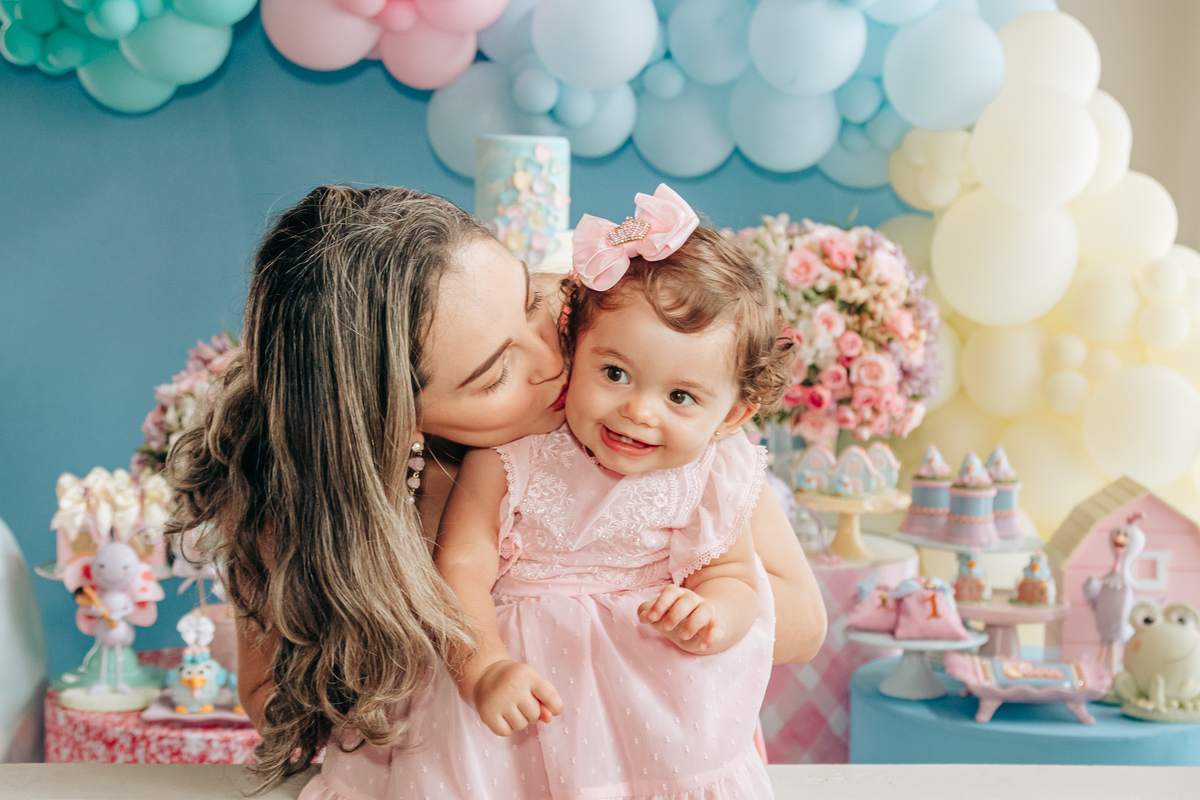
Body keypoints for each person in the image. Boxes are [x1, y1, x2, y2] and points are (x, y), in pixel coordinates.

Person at [166, 186, 826, 794]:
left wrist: (639, 594)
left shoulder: (629, 374)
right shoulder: (323, 504)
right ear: (394, 427)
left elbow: (802, 627)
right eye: (492, 375)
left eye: (531, 302)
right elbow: (278, 704)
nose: (551, 357)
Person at [398, 183, 788, 799]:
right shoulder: (512, 458)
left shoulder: (711, 474)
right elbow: (461, 568)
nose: (638, 411)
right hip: (521, 693)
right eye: (614, 373)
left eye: (680, 396)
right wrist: (484, 667)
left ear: (735, 414)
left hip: (652, 708)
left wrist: (713, 614)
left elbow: (736, 576)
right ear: (575, 349)